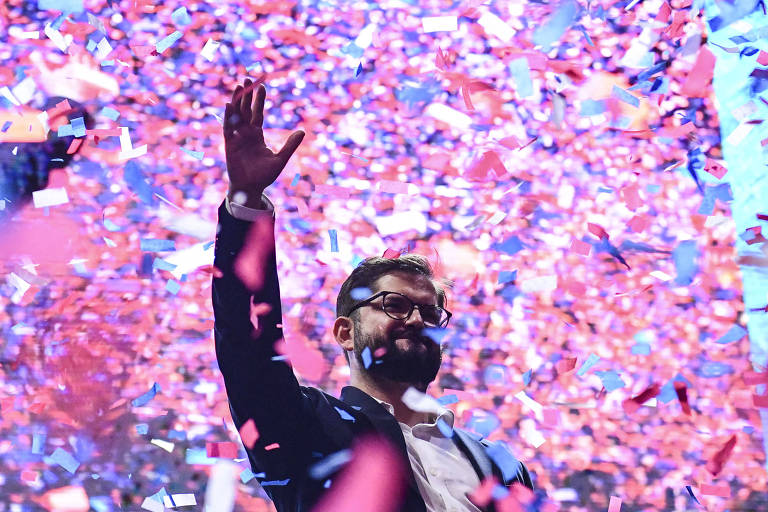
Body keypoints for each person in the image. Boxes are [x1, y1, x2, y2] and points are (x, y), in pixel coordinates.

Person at [213, 79, 533, 512]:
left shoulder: (499, 464)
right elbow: (245, 343)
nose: (418, 320)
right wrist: (247, 202)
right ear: (345, 332)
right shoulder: (305, 426)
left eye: (430, 312)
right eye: (395, 305)